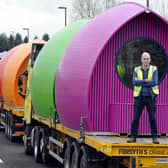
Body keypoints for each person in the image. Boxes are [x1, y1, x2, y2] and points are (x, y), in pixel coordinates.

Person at [127, 52, 159, 144]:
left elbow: (154, 82)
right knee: (135, 118)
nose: (146, 61)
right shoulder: (136, 69)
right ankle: (133, 137)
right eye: (144, 59)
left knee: (152, 118)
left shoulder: (154, 69)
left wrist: (140, 81)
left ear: (150, 60)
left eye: (147, 59)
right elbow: (134, 82)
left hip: (150, 97)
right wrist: (146, 80)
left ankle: (155, 137)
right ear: (141, 60)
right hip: (139, 97)